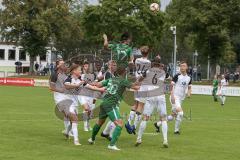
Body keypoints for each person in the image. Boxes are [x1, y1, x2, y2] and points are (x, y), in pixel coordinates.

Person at [88, 65, 141, 151]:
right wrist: (143, 81)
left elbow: (98, 84)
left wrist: (87, 83)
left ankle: (92, 139)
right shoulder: (123, 81)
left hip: (104, 103)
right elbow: (136, 87)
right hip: (111, 105)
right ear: (124, 73)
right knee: (119, 124)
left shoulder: (111, 79)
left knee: (99, 123)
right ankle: (111, 145)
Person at [64, 64, 105, 145]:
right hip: (67, 103)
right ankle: (76, 141)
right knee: (75, 120)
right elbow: (67, 86)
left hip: (75, 104)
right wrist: (77, 85)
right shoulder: (68, 79)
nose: (81, 71)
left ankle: (67, 132)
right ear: (74, 71)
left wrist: (100, 89)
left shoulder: (80, 80)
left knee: (73, 121)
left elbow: (90, 87)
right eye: (79, 70)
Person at [136, 58, 169, 148]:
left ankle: (139, 138)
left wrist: (139, 81)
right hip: (160, 96)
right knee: (163, 119)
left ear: (153, 63)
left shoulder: (148, 71)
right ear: (160, 64)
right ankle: (165, 140)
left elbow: (140, 79)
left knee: (145, 118)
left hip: (151, 96)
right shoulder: (163, 71)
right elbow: (168, 78)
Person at [125, 46, 152, 134]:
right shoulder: (148, 62)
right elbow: (145, 74)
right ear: (148, 53)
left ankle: (129, 122)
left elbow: (133, 66)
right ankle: (134, 126)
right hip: (143, 85)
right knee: (141, 106)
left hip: (136, 84)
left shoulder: (137, 60)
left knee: (134, 104)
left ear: (141, 52)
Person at [168, 61, 192, 135]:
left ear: (186, 67)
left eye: (184, 66)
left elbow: (189, 87)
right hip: (174, 97)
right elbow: (171, 86)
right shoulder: (177, 76)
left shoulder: (189, 78)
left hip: (181, 98)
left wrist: (189, 93)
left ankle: (158, 124)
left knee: (173, 115)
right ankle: (176, 130)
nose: (182, 67)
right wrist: (172, 96)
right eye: (181, 66)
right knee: (181, 113)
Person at [49, 59, 71, 137]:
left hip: (67, 96)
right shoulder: (54, 74)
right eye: (61, 64)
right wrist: (61, 90)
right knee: (67, 113)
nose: (63, 65)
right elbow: (51, 87)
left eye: (64, 64)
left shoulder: (65, 74)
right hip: (58, 96)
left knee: (68, 114)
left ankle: (67, 131)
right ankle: (68, 130)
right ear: (58, 65)